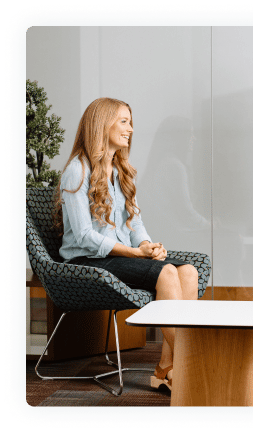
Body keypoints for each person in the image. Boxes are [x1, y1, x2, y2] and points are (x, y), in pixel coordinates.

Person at [55, 97, 199, 392]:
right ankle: (193, 361)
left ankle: (165, 368)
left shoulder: (121, 172)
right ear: (101, 124)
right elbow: (83, 236)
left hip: (117, 257)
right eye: (124, 121)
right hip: (86, 262)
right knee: (167, 273)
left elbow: (135, 224)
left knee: (188, 272)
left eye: (130, 122)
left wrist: (147, 245)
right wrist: (136, 253)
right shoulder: (77, 170)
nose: (130, 129)